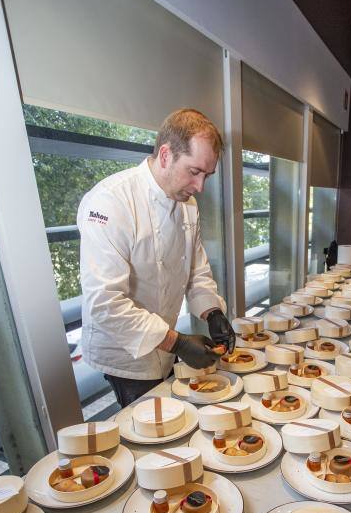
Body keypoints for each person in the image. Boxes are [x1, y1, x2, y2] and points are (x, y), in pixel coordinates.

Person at [78, 109, 235, 407]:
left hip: (165, 340)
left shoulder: (187, 204)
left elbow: (196, 272)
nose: (200, 187)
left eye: (207, 175)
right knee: (153, 429)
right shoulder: (110, 202)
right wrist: (177, 342)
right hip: (126, 351)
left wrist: (213, 313)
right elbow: (105, 303)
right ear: (165, 155)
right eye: (194, 171)